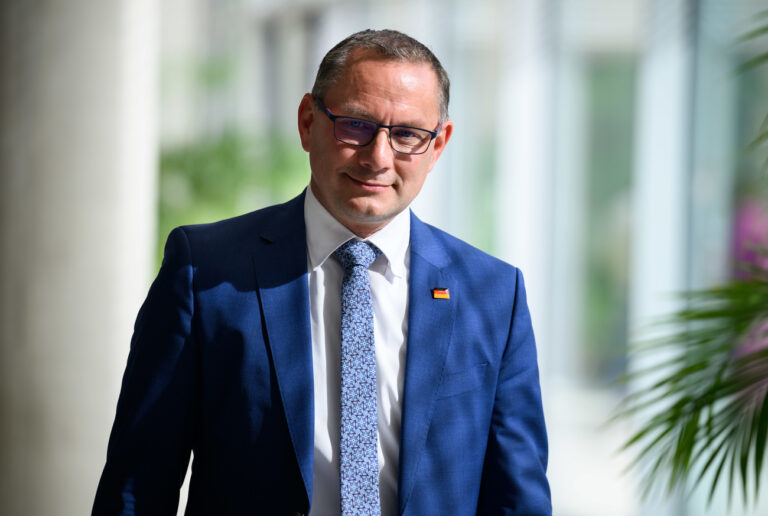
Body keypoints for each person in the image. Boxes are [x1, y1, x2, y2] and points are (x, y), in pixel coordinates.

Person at [93, 29, 551, 516]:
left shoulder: (493, 293)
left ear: (438, 146)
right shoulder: (205, 272)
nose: (378, 157)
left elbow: (517, 498)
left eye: (407, 135)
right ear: (308, 121)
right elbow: (137, 484)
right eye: (355, 125)